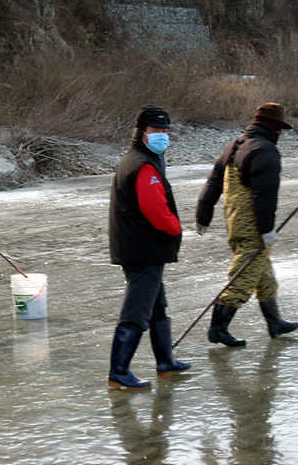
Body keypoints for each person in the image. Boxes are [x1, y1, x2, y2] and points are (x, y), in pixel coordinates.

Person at [195, 103, 298, 347]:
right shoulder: (265, 150)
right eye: (279, 129)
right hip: (253, 228)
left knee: (264, 277)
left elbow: (214, 182)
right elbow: (265, 195)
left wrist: (203, 215)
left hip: (234, 222)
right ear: (273, 127)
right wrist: (266, 229)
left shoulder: (235, 145)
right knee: (241, 279)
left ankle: (275, 323)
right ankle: (218, 329)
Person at [107, 105, 191, 389]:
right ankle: (119, 372)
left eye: (166, 131)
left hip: (139, 247)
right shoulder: (142, 165)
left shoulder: (138, 159)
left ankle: (165, 361)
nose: (162, 136)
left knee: (156, 305)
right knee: (137, 309)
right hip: (144, 249)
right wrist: (176, 228)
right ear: (142, 132)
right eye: (156, 130)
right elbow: (156, 210)